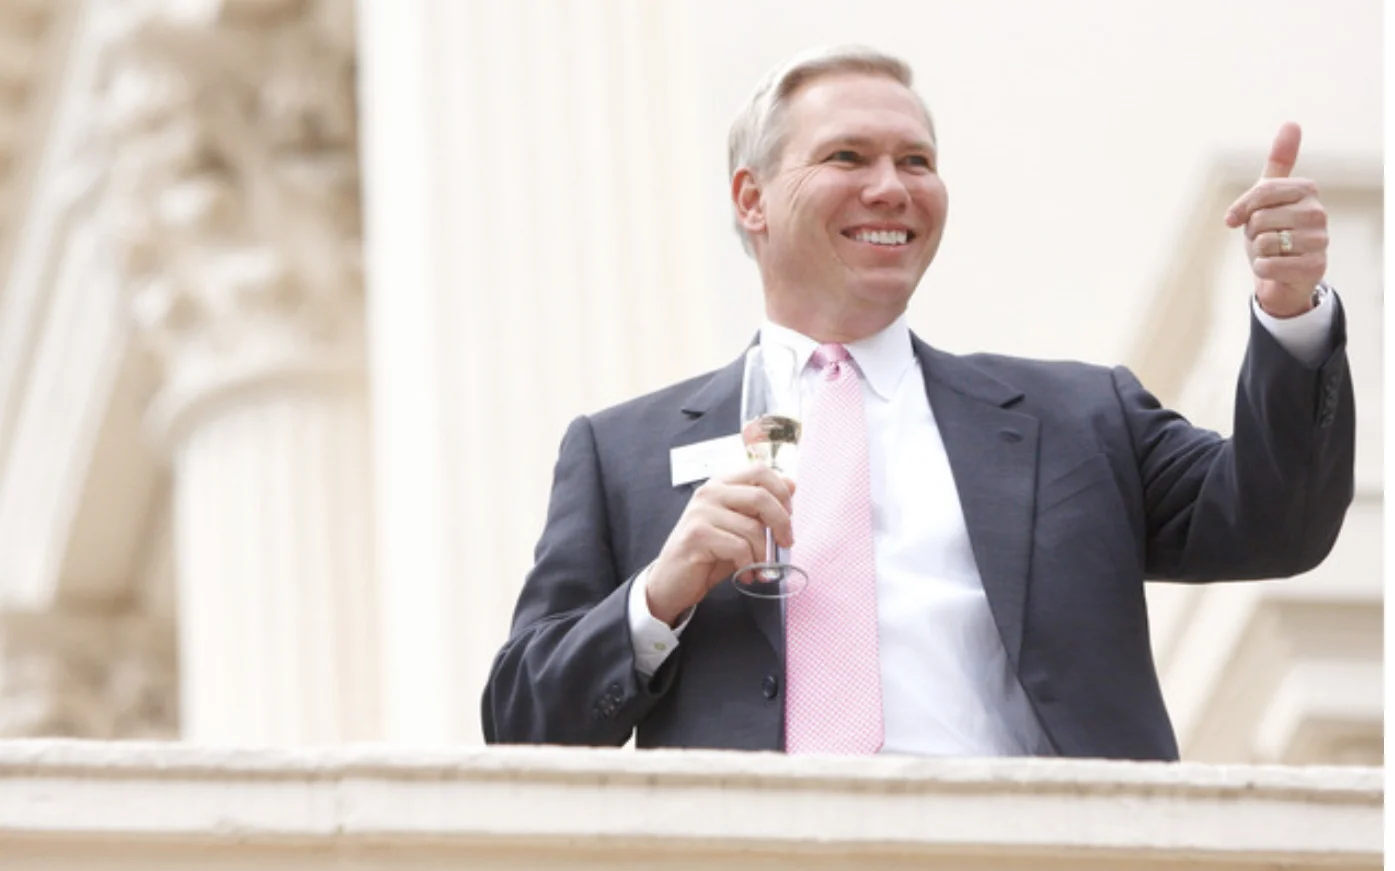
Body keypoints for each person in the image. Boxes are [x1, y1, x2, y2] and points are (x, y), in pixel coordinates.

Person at [480, 46, 1354, 761]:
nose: (891, 187)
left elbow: (1277, 523)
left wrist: (1289, 316)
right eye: (847, 157)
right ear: (751, 199)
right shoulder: (619, 452)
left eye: (916, 161)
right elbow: (523, 723)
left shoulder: (1080, 416)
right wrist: (657, 595)